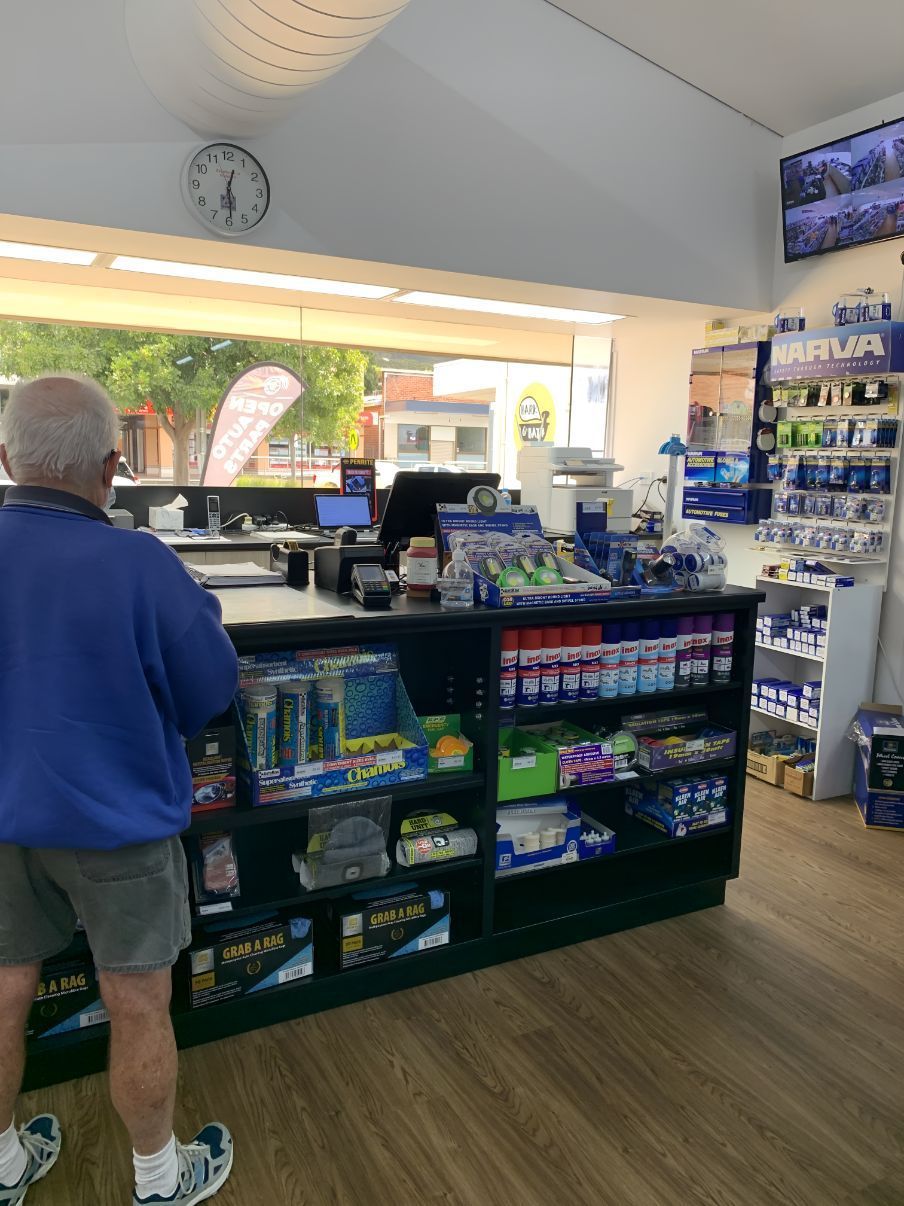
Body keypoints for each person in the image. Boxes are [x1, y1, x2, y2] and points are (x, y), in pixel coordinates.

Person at [0, 376, 239, 1205]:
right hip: (119, 825)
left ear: (5, 459)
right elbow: (210, 687)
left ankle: (3, 1169)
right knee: (138, 1002)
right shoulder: (139, 561)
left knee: (2, 990)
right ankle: (159, 1181)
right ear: (109, 470)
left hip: (1, 824)